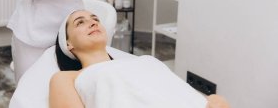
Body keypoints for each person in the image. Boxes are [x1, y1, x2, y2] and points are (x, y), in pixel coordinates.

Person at [49, 10, 231, 108]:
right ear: (68, 43)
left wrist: (210, 101)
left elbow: (180, 93)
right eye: (80, 22)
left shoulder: (144, 61)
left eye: (95, 18)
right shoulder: (67, 78)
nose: (93, 22)